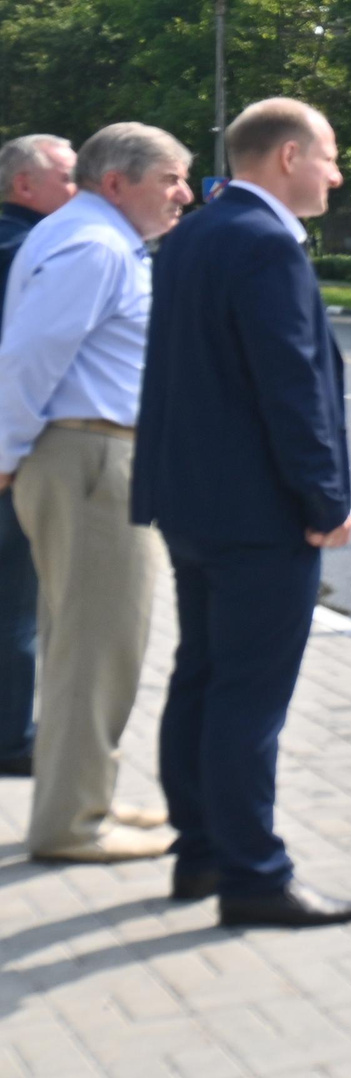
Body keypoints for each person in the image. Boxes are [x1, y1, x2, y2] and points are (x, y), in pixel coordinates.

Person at [133, 98, 351, 926]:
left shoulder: (194, 232)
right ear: (289, 155)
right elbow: (290, 383)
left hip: (192, 501)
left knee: (200, 677)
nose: (338, 174)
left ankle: (199, 851)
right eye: (330, 156)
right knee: (248, 696)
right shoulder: (266, 244)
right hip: (260, 511)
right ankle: (254, 876)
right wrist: (325, 496)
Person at [0, 121, 189, 863]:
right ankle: (73, 824)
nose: (183, 193)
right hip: (91, 457)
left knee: (84, 642)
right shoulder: (94, 244)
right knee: (97, 648)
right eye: (171, 179)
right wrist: (7, 451)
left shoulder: (90, 235)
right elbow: (30, 354)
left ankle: (83, 797)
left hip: (90, 455)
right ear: (117, 182)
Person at [0, 132, 78, 777]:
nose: (77, 190)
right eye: (67, 177)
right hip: (13, 451)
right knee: (16, 605)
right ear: (25, 186)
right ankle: (11, 739)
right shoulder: (30, 250)